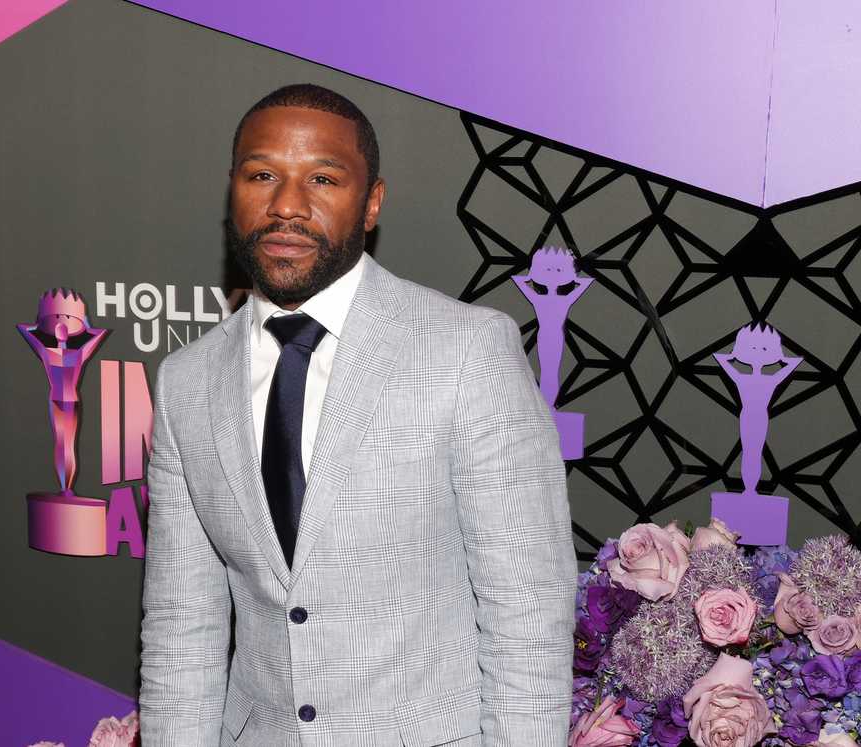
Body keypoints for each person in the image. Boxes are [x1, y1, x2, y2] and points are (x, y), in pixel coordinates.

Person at [139, 83, 575, 746]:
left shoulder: (467, 351)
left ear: (370, 203)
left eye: (322, 178)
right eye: (263, 175)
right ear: (233, 190)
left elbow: (527, 615)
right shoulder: (185, 383)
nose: (287, 205)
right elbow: (182, 626)